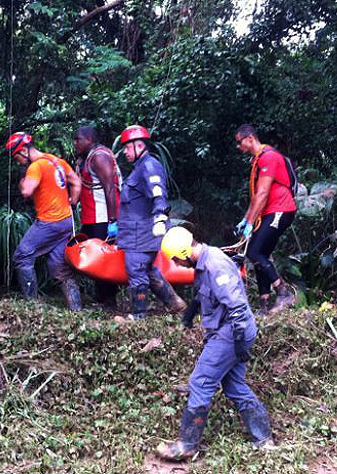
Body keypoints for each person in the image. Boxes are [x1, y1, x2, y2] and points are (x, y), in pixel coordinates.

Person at [156, 226, 274, 461]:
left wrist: (238, 342)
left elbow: (237, 306)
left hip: (232, 330)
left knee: (200, 381)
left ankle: (187, 445)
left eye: (178, 261)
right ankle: (265, 440)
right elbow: (203, 294)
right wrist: (190, 314)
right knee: (234, 386)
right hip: (229, 329)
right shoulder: (204, 263)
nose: (178, 265)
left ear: (184, 252)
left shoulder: (215, 265)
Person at [5, 131, 82, 311]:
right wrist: (71, 202)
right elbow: (76, 183)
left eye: (16, 156)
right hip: (66, 222)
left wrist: (23, 180)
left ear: (24, 150)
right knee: (58, 266)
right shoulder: (56, 161)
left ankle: (32, 307)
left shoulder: (36, 167)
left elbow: (27, 191)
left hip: (49, 222)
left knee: (22, 256)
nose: (17, 161)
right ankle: (76, 310)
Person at [117, 125, 186, 320]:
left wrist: (160, 217)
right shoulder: (139, 168)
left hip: (144, 232)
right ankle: (175, 303)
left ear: (139, 145)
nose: (125, 152)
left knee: (136, 268)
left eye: (127, 147)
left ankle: (139, 315)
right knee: (147, 269)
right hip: (134, 232)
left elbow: (158, 193)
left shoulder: (148, 166)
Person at [234, 124, 296, 315]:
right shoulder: (257, 159)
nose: (238, 146)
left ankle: (283, 292)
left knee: (254, 252)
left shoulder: (268, 156)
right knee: (260, 254)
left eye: (239, 141)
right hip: (268, 211)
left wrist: (251, 223)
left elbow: (262, 194)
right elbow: (256, 198)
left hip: (280, 209)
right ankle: (264, 304)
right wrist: (245, 220)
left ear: (250, 138)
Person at [73, 125, 122, 308]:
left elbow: (110, 189)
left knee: (104, 259)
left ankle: (109, 301)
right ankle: (101, 296)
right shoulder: (84, 159)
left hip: (103, 218)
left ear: (90, 139)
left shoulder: (100, 157)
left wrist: (113, 222)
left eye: (79, 139)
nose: (75, 143)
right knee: (93, 258)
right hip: (90, 218)